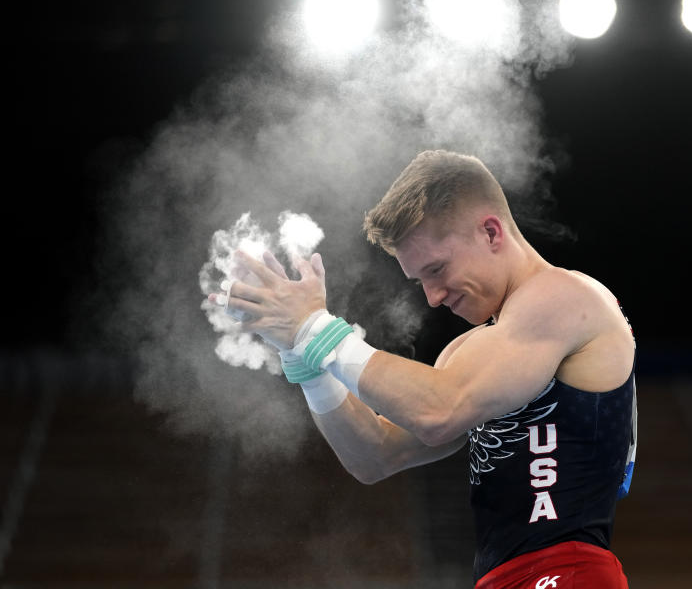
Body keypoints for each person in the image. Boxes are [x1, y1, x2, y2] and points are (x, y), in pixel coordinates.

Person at [211, 150, 637, 588]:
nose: (432, 297)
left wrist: (316, 329)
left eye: (437, 269)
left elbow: (439, 412)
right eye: (420, 281)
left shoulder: (565, 297)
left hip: (568, 573)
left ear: (491, 232)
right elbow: (375, 455)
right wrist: (304, 357)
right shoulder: (471, 354)